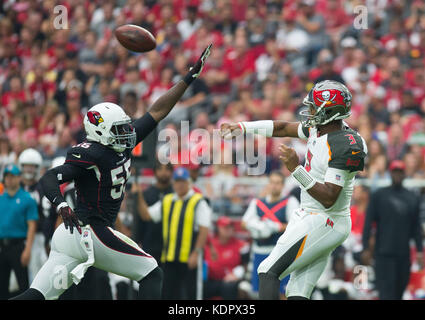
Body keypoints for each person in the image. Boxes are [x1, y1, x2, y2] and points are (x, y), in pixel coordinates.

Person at [10, 44, 212, 300]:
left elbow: (158, 111)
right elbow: (49, 178)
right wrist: (61, 205)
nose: (127, 133)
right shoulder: (92, 153)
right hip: (90, 232)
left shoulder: (120, 143)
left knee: (38, 295)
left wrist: (187, 79)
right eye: (119, 129)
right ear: (100, 133)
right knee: (152, 273)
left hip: (71, 236)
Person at [220, 80, 367, 300]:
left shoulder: (346, 145)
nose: (309, 112)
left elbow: (329, 197)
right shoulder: (321, 129)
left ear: (329, 111)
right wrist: (243, 127)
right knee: (297, 292)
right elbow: (282, 128)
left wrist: (295, 169)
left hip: (326, 219)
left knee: (268, 270)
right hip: (312, 215)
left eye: (314, 107)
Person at [138, 166, 212, 299]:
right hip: (170, 257)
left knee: (191, 293)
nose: (179, 185)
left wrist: (196, 253)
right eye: (177, 181)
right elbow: (147, 216)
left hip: (189, 257)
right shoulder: (167, 200)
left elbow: (204, 229)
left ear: (188, 182)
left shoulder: (198, 201)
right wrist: (138, 195)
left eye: (182, 181)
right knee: (169, 293)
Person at [361, 160, 424, 300]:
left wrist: (419, 251)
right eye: (395, 172)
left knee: (399, 292)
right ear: (390, 173)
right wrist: (365, 247)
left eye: (400, 172)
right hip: (383, 254)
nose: (397, 175)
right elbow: (368, 222)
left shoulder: (412, 198)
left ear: (404, 174)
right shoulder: (379, 196)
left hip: (403, 255)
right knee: (385, 293)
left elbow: (416, 227)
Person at [241, 171, 299, 299]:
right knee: (261, 292)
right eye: (272, 182)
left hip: (280, 252)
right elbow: (244, 223)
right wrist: (257, 226)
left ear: (283, 185)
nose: (274, 186)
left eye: (278, 183)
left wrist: (276, 226)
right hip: (260, 251)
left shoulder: (290, 201)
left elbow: (295, 225)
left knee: (283, 292)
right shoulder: (258, 203)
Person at [0, 164, 38, 299]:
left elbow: (32, 225)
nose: (9, 180)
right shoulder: (1, 198)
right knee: (2, 285)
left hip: (18, 246)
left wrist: (27, 249)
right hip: (2, 246)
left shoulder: (27, 198)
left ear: (19, 178)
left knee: (23, 284)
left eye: (12, 177)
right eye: (7, 177)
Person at [133, 160, 174, 263]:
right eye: (160, 169)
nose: (164, 172)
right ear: (155, 172)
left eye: (167, 169)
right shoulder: (146, 194)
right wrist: (137, 240)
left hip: (170, 245)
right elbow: (140, 219)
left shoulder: (175, 195)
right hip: (149, 243)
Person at [17, 148, 47, 283]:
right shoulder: (14, 187)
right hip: (17, 235)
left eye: (32, 166)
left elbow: (46, 215)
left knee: (35, 274)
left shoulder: (42, 188)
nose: (29, 170)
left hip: (37, 236)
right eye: (26, 166)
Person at [203, 216, 250, 300]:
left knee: (229, 286)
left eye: (231, 226)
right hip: (212, 280)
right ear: (217, 229)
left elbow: (246, 265)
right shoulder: (209, 244)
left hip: (230, 281)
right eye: (225, 227)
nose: (229, 229)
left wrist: (236, 274)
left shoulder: (241, 245)